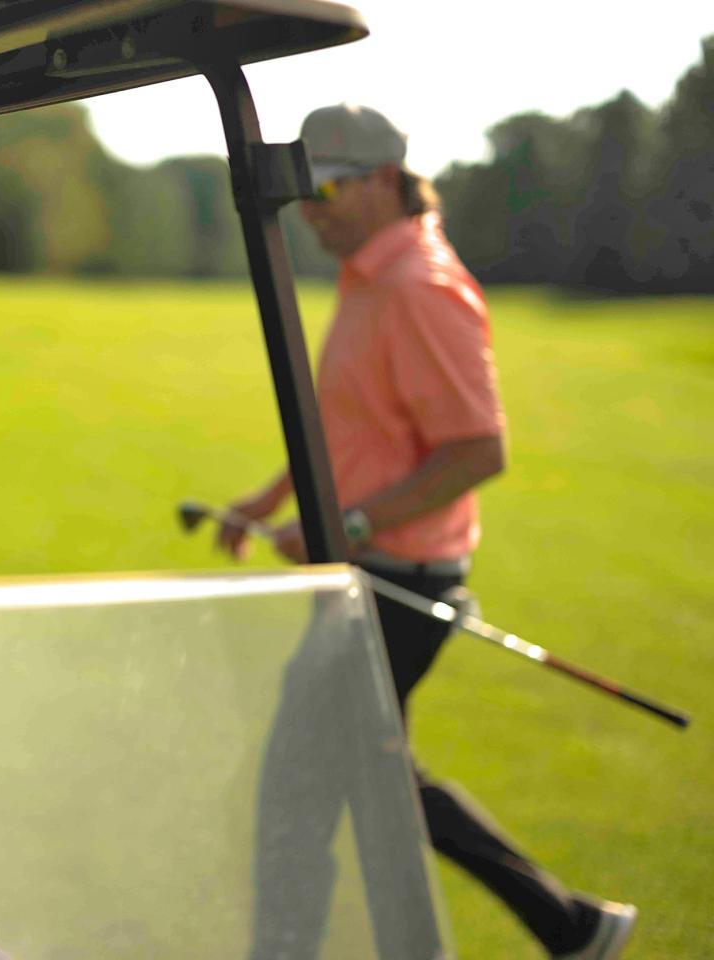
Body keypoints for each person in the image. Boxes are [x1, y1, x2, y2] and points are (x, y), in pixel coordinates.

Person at [220, 105, 636, 960]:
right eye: (305, 192)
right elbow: (350, 428)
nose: (311, 209)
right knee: (377, 777)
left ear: (381, 180)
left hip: (399, 582)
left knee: (296, 789)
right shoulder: (370, 273)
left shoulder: (419, 286)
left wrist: (349, 523)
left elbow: (479, 449)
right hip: (366, 569)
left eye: (328, 188)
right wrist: (271, 501)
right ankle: (571, 924)